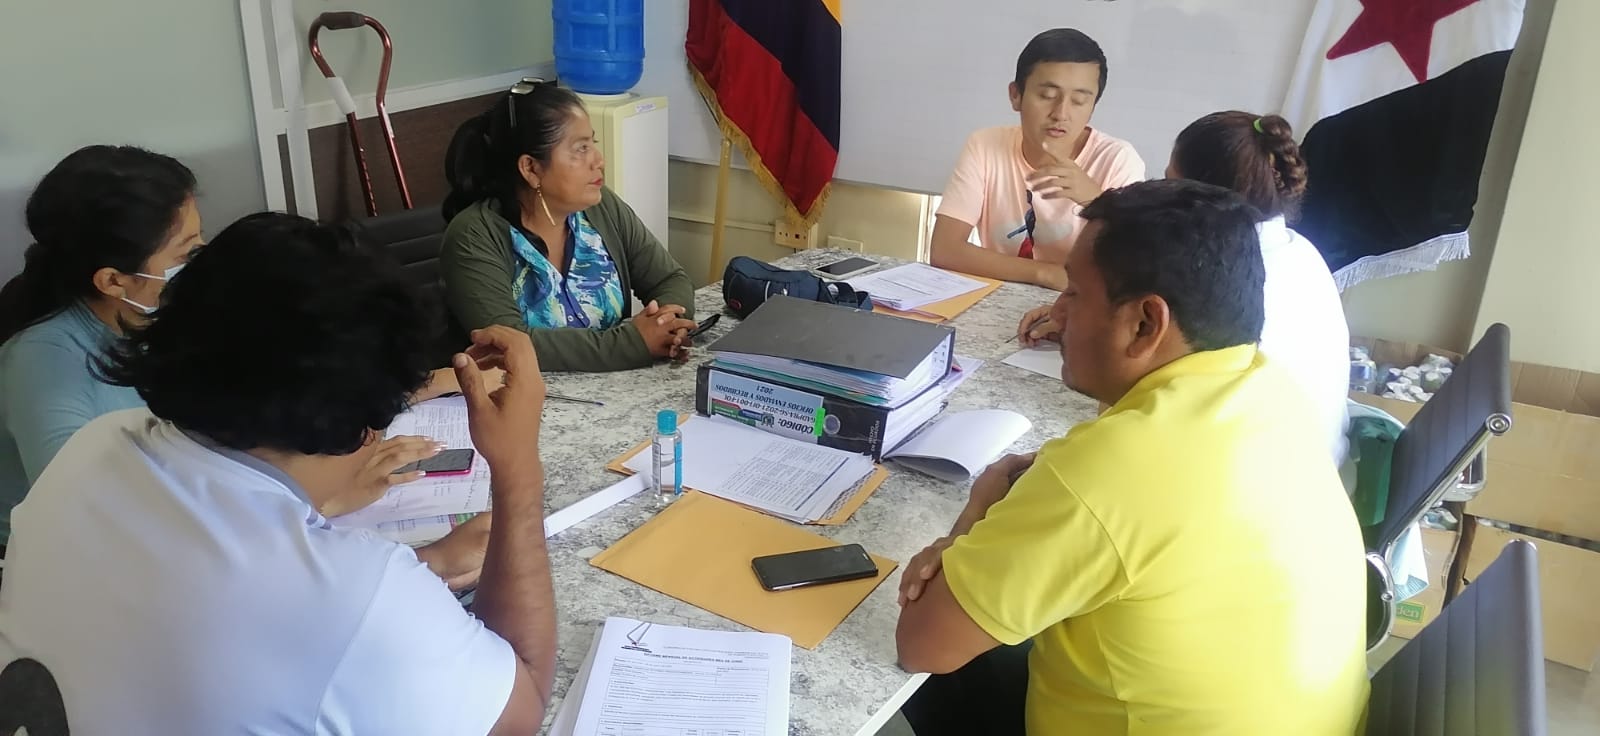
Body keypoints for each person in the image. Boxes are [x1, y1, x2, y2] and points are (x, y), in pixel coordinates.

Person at [0, 212, 556, 733]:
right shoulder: (354, 594)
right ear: (367, 423)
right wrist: (516, 471)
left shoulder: (92, 449)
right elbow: (519, 709)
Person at [898, 180, 1368, 735]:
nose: (1057, 312)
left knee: (932, 674)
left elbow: (920, 645)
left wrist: (974, 519)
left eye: (1074, 293)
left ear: (1146, 323)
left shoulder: (1105, 472)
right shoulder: (1270, 390)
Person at [0, 148, 452, 549]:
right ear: (113, 280)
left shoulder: (165, 317)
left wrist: (443, 379)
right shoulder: (41, 364)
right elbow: (101, 526)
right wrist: (321, 502)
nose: (202, 260)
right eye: (185, 253)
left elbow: (291, 387)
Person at [1019, 111, 1350, 464]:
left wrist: (1094, 331)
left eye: (1169, 184)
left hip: (1252, 468)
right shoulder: (1296, 247)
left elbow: (1137, 400)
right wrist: (1085, 315)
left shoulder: (1216, 277)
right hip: (1320, 464)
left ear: (1195, 202)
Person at [441, 78, 698, 372]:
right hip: (522, 396)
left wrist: (668, 325)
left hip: (615, 387)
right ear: (531, 168)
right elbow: (508, 345)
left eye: (593, 144)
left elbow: (669, 279)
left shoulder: (601, 207)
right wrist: (633, 343)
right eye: (581, 148)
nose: (598, 160)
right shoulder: (473, 236)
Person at [930, 28, 1146, 290]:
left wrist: (1097, 203)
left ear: (1092, 107)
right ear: (1015, 95)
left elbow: (1138, 269)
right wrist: (1046, 274)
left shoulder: (1117, 159)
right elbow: (945, 250)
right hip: (1001, 297)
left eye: (1079, 101)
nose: (1061, 113)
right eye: (1047, 96)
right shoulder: (985, 145)